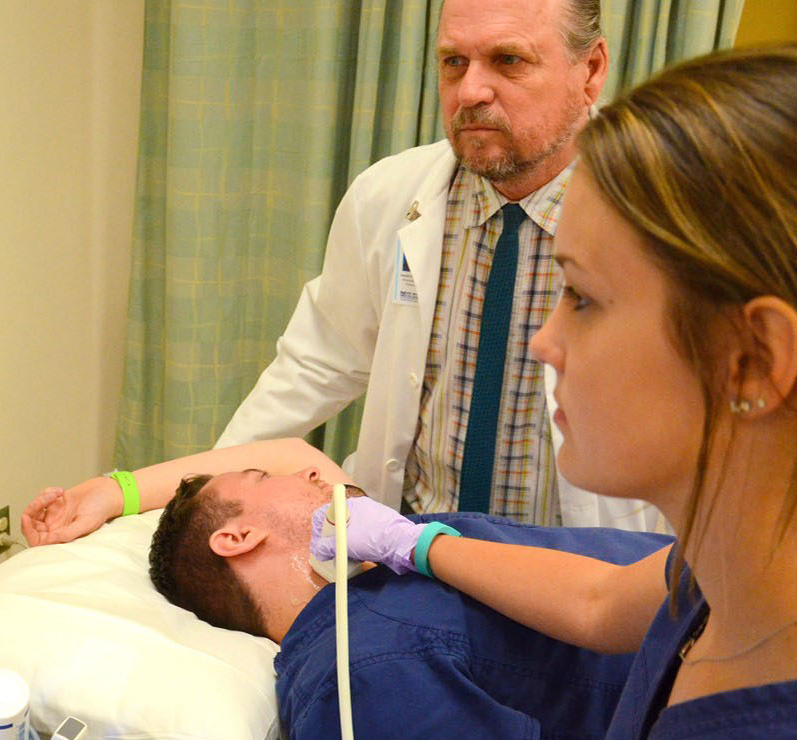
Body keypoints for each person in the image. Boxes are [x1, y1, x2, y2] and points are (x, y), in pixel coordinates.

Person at [94, 40, 797, 740]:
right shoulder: (737, 581)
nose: (544, 342)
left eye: (584, 298)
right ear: (239, 533)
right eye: (451, 62)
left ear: (753, 363)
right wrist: (417, 544)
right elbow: (598, 605)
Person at [23, 439, 671, 740]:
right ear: (237, 538)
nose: (312, 471)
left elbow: (293, 455)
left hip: (714, 597)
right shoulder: (354, 688)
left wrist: (114, 492)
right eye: (263, 481)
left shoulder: (393, 563)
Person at [213, 0, 662, 534]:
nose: (470, 91)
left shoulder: (672, 211)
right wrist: (202, 495)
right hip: (413, 552)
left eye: (508, 60)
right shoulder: (388, 195)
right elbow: (315, 365)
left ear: (589, 71)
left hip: (586, 567)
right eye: (454, 62)